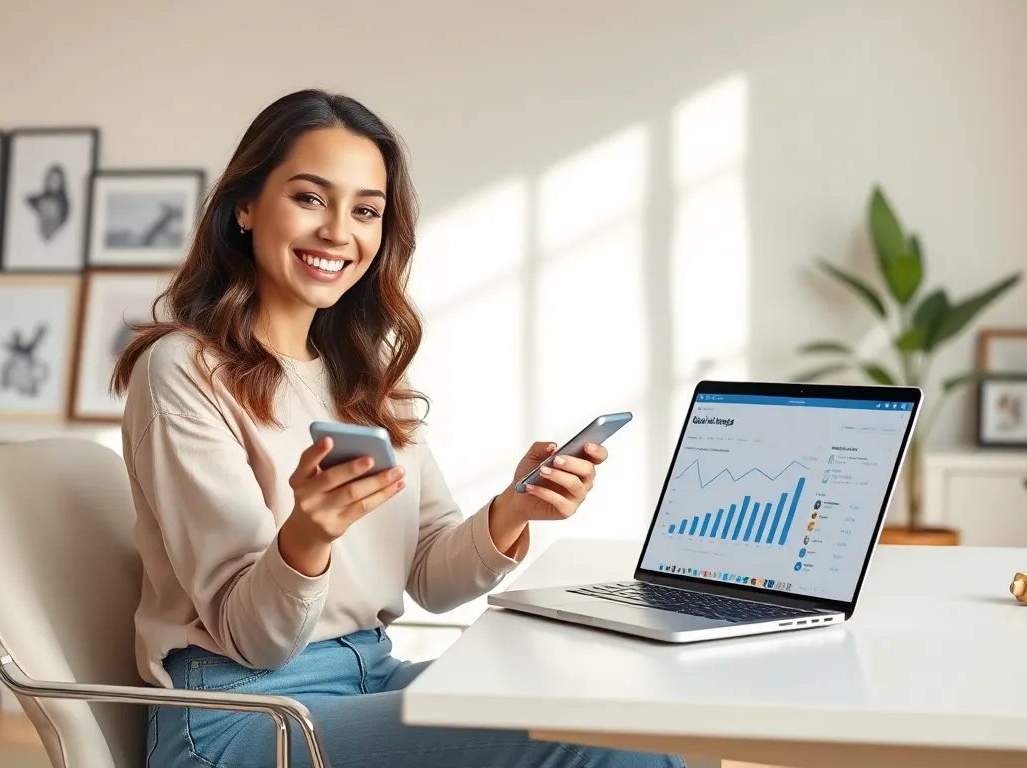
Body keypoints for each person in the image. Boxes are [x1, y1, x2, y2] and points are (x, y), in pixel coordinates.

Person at [110, 89, 684, 768]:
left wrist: (512, 510)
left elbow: (432, 580)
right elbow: (253, 638)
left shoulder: (368, 375)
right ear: (244, 206)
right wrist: (308, 535)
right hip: (243, 714)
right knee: (576, 741)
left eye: (365, 211)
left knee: (622, 711)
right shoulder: (183, 370)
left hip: (371, 678)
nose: (337, 232)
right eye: (308, 198)